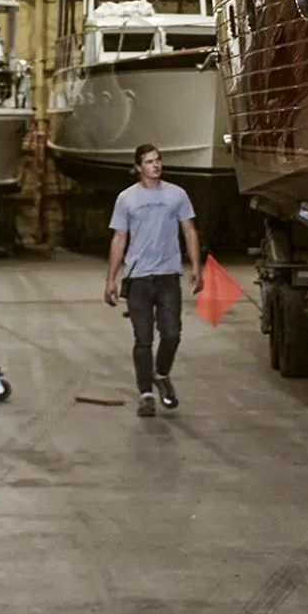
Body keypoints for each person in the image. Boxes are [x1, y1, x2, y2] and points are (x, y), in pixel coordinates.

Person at [104, 142, 203, 417]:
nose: (156, 165)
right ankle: (146, 394)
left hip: (168, 275)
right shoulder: (126, 199)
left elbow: (189, 230)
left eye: (158, 160)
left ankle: (161, 373)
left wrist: (196, 266)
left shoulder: (177, 195)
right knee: (143, 338)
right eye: (149, 162)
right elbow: (119, 238)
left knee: (171, 334)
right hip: (138, 278)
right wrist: (111, 279)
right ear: (138, 167)